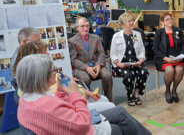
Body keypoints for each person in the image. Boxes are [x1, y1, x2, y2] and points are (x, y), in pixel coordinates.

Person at [16, 54, 151, 135]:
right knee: (121, 128)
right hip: (81, 128)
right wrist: (75, 94)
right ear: (41, 77)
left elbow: (60, 112)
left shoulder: (27, 98)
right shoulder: (46, 106)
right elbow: (83, 124)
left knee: (120, 112)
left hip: (69, 125)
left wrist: (60, 92)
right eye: (54, 71)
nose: (57, 73)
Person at [13, 41, 115, 112]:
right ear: (35, 58)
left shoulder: (50, 70)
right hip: (74, 105)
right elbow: (61, 103)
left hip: (79, 97)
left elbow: (66, 80)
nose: (48, 53)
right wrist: (79, 97)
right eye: (44, 52)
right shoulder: (39, 83)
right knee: (111, 106)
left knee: (104, 99)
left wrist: (88, 93)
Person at [69, 18, 113, 102]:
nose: (85, 29)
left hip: (96, 64)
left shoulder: (96, 38)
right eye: (82, 26)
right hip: (81, 68)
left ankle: (109, 101)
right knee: (85, 79)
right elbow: (74, 60)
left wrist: (99, 65)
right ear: (77, 28)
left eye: (87, 26)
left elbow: (101, 53)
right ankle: (90, 102)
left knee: (107, 76)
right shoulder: (72, 41)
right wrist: (87, 68)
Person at [110, 13, 148, 106]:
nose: (132, 22)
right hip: (122, 64)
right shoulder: (116, 36)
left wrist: (141, 60)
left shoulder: (137, 34)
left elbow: (142, 50)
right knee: (129, 75)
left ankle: (136, 92)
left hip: (136, 62)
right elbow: (113, 53)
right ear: (123, 25)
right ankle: (130, 96)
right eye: (129, 21)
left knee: (144, 72)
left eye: (132, 20)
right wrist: (118, 63)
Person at [152, 12, 184, 103]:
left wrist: (182, 56)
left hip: (177, 58)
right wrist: (165, 58)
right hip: (164, 59)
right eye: (167, 19)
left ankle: (174, 90)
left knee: (179, 70)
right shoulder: (159, 32)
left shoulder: (178, 30)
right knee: (170, 70)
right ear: (162, 22)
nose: (170, 21)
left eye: (171, 19)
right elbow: (155, 49)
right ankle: (167, 90)